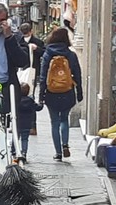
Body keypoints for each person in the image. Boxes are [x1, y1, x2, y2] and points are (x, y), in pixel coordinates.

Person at [39, 28, 83, 162]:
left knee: (54, 122)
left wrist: (41, 96)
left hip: (51, 92)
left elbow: (42, 77)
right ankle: (65, 144)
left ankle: (58, 153)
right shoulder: (71, 55)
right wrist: (79, 92)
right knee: (64, 119)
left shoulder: (47, 54)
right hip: (67, 91)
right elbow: (77, 74)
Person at [19, 23, 45, 135]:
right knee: (18, 98)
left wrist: (36, 49)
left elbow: (44, 52)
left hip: (32, 73)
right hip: (20, 72)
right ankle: (18, 124)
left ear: (30, 32)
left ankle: (32, 126)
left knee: (30, 98)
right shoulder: (18, 41)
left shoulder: (37, 42)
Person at [11, 82, 42, 160]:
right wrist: (41, 104)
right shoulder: (30, 100)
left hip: (17, 123)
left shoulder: (16, 100)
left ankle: (13, 151)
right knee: (25, 139)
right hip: (27, 123)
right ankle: (24, 152)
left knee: (15, 137)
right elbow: (37, 108)